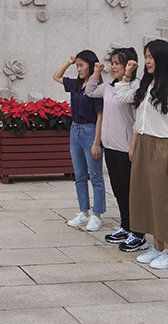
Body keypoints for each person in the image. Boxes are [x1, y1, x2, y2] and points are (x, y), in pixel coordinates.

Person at [115, 39, 168, 270]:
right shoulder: (146, 85)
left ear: (162, 58)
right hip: (144, 144)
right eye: (146, 56)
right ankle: (157, 246)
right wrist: (127, 74)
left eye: (151, 57)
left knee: (165, 199)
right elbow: (123, 97)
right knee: (147, 197)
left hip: (163, 146)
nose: (147, 61)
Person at [85, 47, 148, 252]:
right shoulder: (109, 86)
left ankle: (138, 232)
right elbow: (89, 91)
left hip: (126, 148)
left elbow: (138, 120)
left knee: (131, 191)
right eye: (112, 63)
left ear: (130, 65)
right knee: (119, 190)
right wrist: (96, 72)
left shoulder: (136, 87)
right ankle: (126, 226)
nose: (113, 67)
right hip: (110, 146)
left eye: (118, 63)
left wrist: (133, 147)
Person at [54, 50, 105, 232]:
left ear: (91, 66)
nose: (79, 69)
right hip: (75, 131)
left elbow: (100, 117)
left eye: (81, 65)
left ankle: (97, 215)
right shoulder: (75, 84)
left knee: (96, 176)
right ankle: (83, 212)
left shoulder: (97, 88)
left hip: (91, 131)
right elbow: (56, 76)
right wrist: (68, 63)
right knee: (80, 175)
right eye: (77, 65)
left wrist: (96, 143)